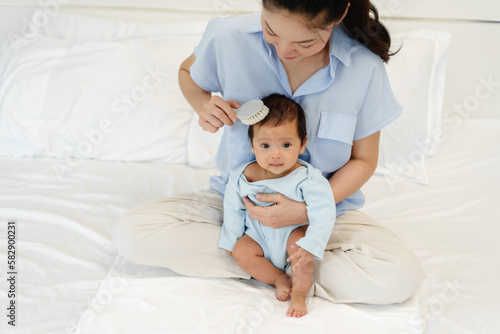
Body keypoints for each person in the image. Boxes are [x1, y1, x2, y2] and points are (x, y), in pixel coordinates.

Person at [113, 0, 423, 305]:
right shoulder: (227, 36)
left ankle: (266, 265)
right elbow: (187, 72)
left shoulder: (363, 67)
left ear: (340, 12)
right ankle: (281, 269)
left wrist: (307, 210)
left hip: (325, 213)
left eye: (305, 42)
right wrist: (202, 105)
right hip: (238, 205)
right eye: (270, 31)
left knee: (398, 276)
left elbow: (364, 160)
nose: (284, 51)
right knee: (132, 233)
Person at [220, 94, 336, 317]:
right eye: (265, 145)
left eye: (286, 144)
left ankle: (300, 294)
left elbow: (324, 210)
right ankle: (277, 278)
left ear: (302, 144)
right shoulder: (241, 176)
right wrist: (231, 238)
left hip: (293, 234)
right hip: (258, 235)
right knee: (241, 252)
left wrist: (312, 243)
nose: (275, 154)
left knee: (300, 252)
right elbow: (233, 209)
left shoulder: (307, 178)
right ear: (252, 146)